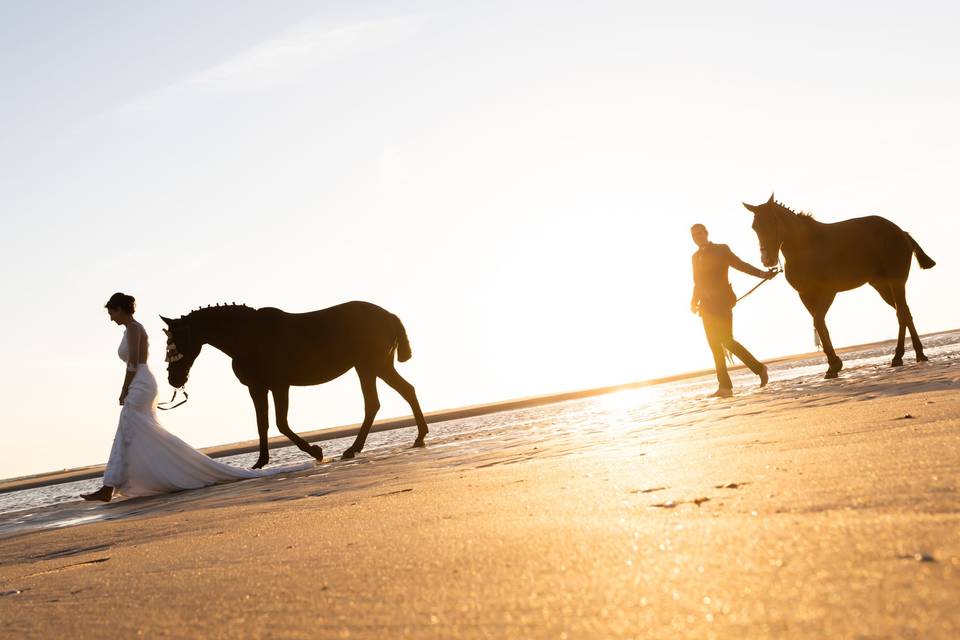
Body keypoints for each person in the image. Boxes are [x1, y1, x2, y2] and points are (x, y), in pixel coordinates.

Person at [81, 293, 312, 502]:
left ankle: (110, 487)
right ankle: (112, 485)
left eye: (111, 312)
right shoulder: (135, 329)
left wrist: (124, 389)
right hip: (143, 382)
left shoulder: (133, 329)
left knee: (127, 430)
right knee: (132, 432)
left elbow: (132, 364)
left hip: (139, 383)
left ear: (120, 309)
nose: (111, 317)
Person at [690, 224, 776, 397]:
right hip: (706, 307)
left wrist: (762, 274)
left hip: (722, 302)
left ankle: (759, 368)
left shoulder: (721, 249)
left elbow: (740, 265)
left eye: (700, 233)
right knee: (715, 346)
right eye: (694, 235)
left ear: (706, 233)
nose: (697, 237)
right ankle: (725, 387)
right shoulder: (695, 257)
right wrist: (693, 302)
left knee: (727, 341)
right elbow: (697, 282)